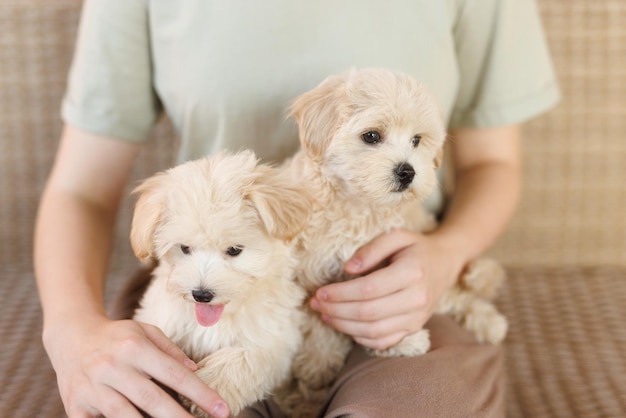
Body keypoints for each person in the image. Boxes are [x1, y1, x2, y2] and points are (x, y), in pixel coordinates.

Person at [34, 1, 560, 417]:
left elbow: (493, 164)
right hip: (215, 289)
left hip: (398, 288)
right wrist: (71, 329)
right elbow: (80, 191)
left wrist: (448, 253)